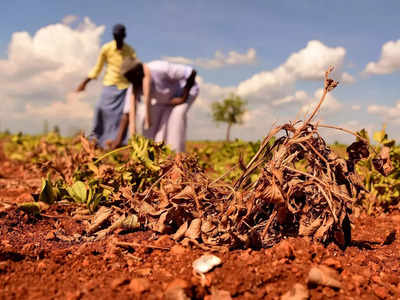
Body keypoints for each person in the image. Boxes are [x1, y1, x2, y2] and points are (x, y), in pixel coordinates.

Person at [110, 59, 198, 152]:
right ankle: (157, 153)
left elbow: (191, 72)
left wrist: (183, 98)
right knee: (151, 126)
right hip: (165, 101)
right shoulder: (135, 86)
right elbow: (127, 114)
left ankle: (177, 154)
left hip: (184, 92)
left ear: (138, 72)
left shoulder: (159, 68)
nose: (132, 82)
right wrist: (118, 140)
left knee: (176, 117)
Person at [75, 24, 136, 149]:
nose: (118, 38)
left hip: (124, 87)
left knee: (120, 117)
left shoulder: (130, 51)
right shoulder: (106, 48)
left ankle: (117, 143)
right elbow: (98, 67)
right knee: (100, 109)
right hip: (109, 83)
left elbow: (135, 68)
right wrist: (85, 82)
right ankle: (96, 141)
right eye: (115, 36)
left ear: (124, 36)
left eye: (120, 36)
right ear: (113, 36)